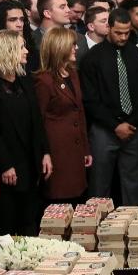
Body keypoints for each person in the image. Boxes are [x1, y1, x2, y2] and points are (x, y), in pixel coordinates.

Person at [0, 30, 51, 235]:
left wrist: (45, 152)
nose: (26, 51)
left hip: (30, 163)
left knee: (30, 220)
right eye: (21, 47)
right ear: (7, 51)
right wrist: (5, 165)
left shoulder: (24, 82)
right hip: (7, 166)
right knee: (6, 223)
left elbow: (37, 120)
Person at [82, 8, 138, 206]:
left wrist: (131, 122)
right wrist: (115, 125)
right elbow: (90, 99)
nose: (123, 37)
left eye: (127, 33)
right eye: (118, 32)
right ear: (108, 28)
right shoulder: (92, 58)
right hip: (104, 129)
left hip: (134, 129)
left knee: (133, 185)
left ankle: (133, 230)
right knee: (99, 186)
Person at [34, 27, 91, 203]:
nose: (76, 48)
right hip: (57, 152)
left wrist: (85, 149)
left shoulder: (73, 74)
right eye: (72, 45)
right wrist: (44, 153)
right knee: (59, 201)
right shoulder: (43, 81)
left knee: (77, 199)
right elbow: (38, 121)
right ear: (59, 48)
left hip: (75, 150)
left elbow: (79, 111)